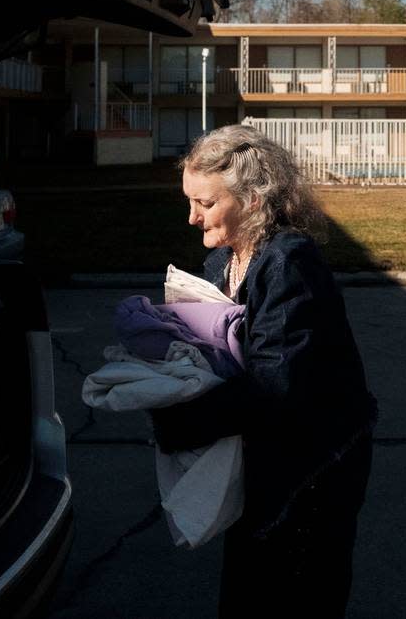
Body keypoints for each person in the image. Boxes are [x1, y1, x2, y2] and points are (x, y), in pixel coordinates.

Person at [150, 124, 378, 618]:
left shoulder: (289, 263)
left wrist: (181, 422)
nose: (191, 218)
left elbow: (273, 386)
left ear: (253, 199)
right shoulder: (225, 259)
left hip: (315, 466)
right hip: (263, 452)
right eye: (189, 201)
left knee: (297, 591)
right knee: (250, 587)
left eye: (205, 204)